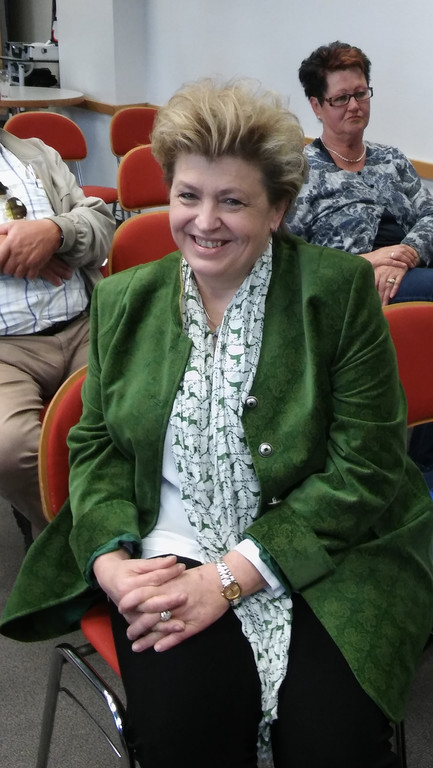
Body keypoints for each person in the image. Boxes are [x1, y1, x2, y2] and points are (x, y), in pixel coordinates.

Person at [1, 78, 433, 768]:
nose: (204, 222)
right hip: (168, 545)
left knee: (332, 742)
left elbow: (368, 465)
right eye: (188, 196)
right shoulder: (124, 299)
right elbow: (98, 446)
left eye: (232, 200)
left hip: (333, 545)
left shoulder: (335, 291)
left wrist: (229, 578)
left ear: (277, 209)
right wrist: (112, 564)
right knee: (187, 735)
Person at [0, 126, 115, 539]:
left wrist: (54, 233)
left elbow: (101, 226)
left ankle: (114, 517)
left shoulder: (36, 155)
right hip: (6, 351)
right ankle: (75, 539)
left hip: (82, 326)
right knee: (9, 448)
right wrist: (14, 251)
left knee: (132, 412)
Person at [288, 40, 433, 307]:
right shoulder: (299, 173)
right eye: (341, 98)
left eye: (361, 93)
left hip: (412, 268)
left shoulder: (391, 158)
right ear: (316, 106)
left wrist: (407, 253)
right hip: (353, 288)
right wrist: (370, 261)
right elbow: (289, 258)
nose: (354, 105)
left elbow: (430, 213)